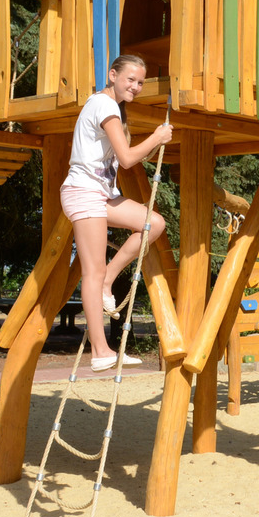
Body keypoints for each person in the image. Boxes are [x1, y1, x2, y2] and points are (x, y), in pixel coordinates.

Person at [60, 54, 173, 371]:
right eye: (130, 80)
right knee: (91, 272)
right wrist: (156, 137)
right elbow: (125, 159)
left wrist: (152, 143)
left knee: (153, 223)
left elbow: (128, 157)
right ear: (113, 75)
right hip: (85, 193)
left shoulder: (111, 108)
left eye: (140, 82)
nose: (135, 87)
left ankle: (110, 277)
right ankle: (100, 351)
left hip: (101, 194)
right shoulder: (105, 106)